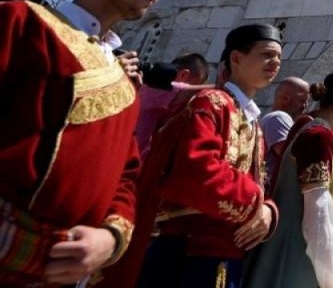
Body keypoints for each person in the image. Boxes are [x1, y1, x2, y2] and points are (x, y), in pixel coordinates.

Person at [0, 0, 173, 285]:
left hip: (64, 270)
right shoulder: (22, 22)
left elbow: (125, 174)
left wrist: (109, 237)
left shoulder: (121, 77)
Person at [102, 23, 283, 287]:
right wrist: (256, 203)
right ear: (236, 58)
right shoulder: (210, 103)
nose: (275, 62)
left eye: (278, 57)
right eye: (266, 54)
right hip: (189, 251)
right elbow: (194, 171)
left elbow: (258, 180)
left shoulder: (252, 121)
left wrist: (268, 211)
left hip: (226, 250)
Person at [243, 67, 333, 288]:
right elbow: (318, 211)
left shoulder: (308, 125)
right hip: (298, 248)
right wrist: (330, 276)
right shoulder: (319, 136)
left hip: (291, 241)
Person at [135, 51, 210, 161]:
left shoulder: (151, 89)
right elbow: (195, 92)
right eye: (194, 83)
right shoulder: (160, 87)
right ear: (183, 75)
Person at [260, 76, 311, 186]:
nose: (306, 106)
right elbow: (291, 156)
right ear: (286, 99)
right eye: (302, 100)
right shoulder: (278, 117)